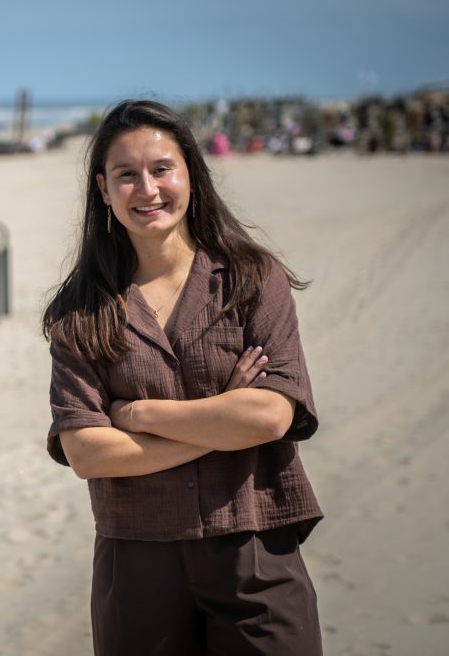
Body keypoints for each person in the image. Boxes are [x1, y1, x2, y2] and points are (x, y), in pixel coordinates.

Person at [43, 100, 323, 655]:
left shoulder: (250, 278)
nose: (146, 189)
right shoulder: (80, 311)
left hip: (255, 546)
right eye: (126, 174)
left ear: (191, 173)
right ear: (103, 189)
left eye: (161, 169)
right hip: (136, 560)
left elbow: (271, 415)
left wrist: (139, 415)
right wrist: (222, 419)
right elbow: (87, 454)